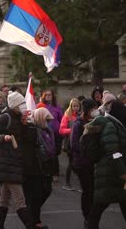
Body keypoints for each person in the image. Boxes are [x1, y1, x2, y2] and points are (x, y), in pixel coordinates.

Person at [0, 91, 35, 229]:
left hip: (15, 162)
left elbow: (27, 140)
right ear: (14, 104)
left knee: (4, 199)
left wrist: (25, 125)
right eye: (21, 104)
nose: (24, 106)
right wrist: (4, 137)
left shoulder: (20, 118)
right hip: (6, 162)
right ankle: (30, 225)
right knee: (20, 200)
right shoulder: (5, 117)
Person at [83, 100, 126, 229]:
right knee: (99, 206)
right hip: (109, 174)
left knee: (102, 205)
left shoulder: (117, 125)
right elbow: (113, 152)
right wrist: (122, 173)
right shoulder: (111, 126)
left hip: (112, 173)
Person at [22, 108, 56, 229]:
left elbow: (50, 148)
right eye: (46, 120)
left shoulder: (47, 131)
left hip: (45, 166)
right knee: (35, 195)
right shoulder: (32, 130)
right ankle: (34, 221)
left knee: (46, 191)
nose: (48, 122)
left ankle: (33, 219)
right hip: (34, 168)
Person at [70, 99, 97, 228]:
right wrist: (87, 148)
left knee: (93, 190)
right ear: (87, 110)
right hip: (82, 163)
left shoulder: (95, 122)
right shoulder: (78, 124)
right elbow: (74, 144)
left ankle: (91, 216)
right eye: (93, 109)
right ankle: (87, 217)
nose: (95, 111)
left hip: (92, 162)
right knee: (88, 190)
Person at [40, 89, 63, 182]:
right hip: (45, 134)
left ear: (53, 96)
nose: (48, 97)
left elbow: (62, 120)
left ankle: (55, 173)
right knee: (48, 153)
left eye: (50, 95)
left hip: (56, 134)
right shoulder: (41, 106)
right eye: (46, 95)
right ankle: (50, 173)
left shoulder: (57, 107)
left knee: (55, 153)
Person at [59, 98, 80, 191]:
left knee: (79, 163)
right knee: (71, 163)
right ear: (71, 107)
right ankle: (67, 183)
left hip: (79, 143)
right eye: (74, 106)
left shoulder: (81, 116)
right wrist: (72, 131)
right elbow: (61, 130)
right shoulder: (67, 116)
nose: (76, 108)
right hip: (70, 143)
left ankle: (81, 184)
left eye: (77, 106)